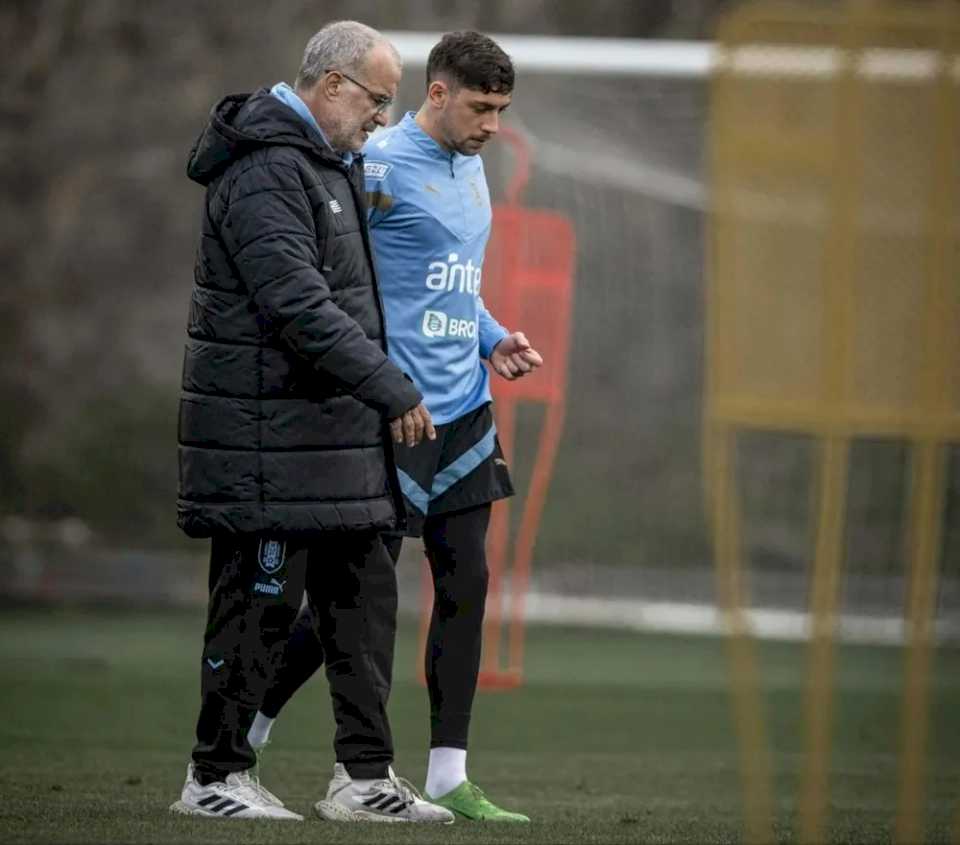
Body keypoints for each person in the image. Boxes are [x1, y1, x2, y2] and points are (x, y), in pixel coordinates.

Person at [249, 31, 541, 823]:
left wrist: (492, 337)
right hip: (399, 416)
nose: (491, 123)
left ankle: (449, 773)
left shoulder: (475, 166)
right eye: (481, 107)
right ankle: (246, 729)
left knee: (467, 583)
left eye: (502, 110)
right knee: (349, 601)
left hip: (467, 410)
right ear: (437, 94)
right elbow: (345, 283)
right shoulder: (375, 168)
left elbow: (452, 285)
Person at [170, 20, 454, 823]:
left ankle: (363, 779)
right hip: (270, 443)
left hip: (337, 438)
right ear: (331, 84)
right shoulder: (264, 172)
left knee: (363, 607)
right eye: (374, 99)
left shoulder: (334, 164)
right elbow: (298, 307)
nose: (379, 118)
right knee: (258, 610)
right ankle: (215, 777)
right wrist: (393, 389)